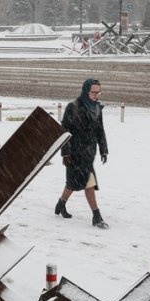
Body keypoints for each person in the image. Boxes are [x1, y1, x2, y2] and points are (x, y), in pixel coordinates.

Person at [55, 78, 110, 229]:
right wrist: (65, 153)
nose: (96, 95)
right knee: (88, 183)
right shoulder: (73, 107)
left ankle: (61, 203)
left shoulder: (97, 108)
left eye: (98, 92)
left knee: (74, 183)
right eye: (93, 92)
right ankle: (96, 216)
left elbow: (100, 130)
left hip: (89, 153)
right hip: (75, 152)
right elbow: (64, 131)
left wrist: (103, 149)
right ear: (86, 91)